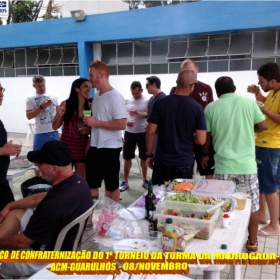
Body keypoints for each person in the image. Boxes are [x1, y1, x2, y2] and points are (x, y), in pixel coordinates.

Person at [0, 140, 93, 278]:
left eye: (41, 163)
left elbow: (23, 241)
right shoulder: (77, 181)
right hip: (65, 243)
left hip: (46, 257)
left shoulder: (55, 205)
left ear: (55, 169)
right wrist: (10, 205)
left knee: (3, 265)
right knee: (16, 212)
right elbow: (44, 196)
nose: (37, 166)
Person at [202, 76, 267, 252]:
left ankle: (223, 244)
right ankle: (252, 242)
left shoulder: (211, 107)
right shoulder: (249, 104)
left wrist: (205, 154)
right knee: (252, 205)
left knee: (223, 205)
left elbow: (206, 137)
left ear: (217, 92)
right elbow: (264, 125)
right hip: (247, 166)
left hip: (223, 166)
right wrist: (249, 127)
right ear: (235, 88)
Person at [146, 70, 206, 185]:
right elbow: (201, 139)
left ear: (176, 83)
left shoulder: (160, 103)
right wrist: (188, 136)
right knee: (180, 198)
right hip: (184, 161)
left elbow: (150, 132)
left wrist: (149, 154)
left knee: (158, 197)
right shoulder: (197, 108)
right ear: (192, 86)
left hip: (162, 159)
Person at [83, 60, 126, 203]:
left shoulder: (115, 97)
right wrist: (90, 141)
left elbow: (122, 124)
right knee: (91, 183)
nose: (89, 79)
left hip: (110, 148)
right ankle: (89, 219)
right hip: (95, 146)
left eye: (91, 75)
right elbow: (95, 122)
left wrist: (96, 123)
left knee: (112, 185)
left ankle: (111, 218)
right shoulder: (97, 96)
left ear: (101, 76)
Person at [247, 62, 280, 236]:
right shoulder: (274, 92)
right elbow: (265, 102)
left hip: (271, 146)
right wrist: (257, 94)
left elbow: (275, 115)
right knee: (262, 183)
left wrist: (264, 111)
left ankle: (274, 225)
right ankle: (262, 215)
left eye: (262, 82)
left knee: (270, 187)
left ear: (273, 81)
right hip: (264, 144)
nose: (260, 83)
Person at [170, 59, 215, 179]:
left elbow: (210, 111)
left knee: (207, 169)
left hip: (203, 137)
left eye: (190, 70)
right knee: (183, 174)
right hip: (183, 139)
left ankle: (208, 195)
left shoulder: (206, 88)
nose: (188, 74)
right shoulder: (174, 91)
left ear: (197, 69)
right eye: (184, 71)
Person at [52, 78, 91, 178]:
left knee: (81, 180)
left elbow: (92, 128)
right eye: (85, 86)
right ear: (77, 89)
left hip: (82, 147)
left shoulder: (89, 107)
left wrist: (88, 130)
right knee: (63, 178)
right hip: (66, 147)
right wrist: (59, 115)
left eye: (89, 87)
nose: (88, 89)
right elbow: (55, 126)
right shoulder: (65, 104)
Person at [119, 81, 149, 192]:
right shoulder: (127, 100)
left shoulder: (147, 101)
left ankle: (145, 180)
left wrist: (137, 113)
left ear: (141, 90)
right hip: (129, 132)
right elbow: (122, 115)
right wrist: (127, 123)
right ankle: (125, 181)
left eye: (137, 93)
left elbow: (147, 114)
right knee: (127, 157)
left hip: (142, 132)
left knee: (144, 157)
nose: (135, 95)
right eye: (133, 93)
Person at [0, 84, 22, 211]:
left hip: (1, 181)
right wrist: (2, 150)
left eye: (2, 90)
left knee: (11, 214)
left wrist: (7, 147)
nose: (2, 95)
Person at [26, 75, 59, 151]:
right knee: (39, 159)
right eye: (39, 86)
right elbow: (28, 116)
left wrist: (59, 130)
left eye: (43, 85)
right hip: (40, 133)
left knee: (56, 158)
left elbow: (58, 113)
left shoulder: (53, 96)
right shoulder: (30, 98)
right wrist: (41, 107)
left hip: (54, 132)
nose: (42, 88)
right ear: (34, 86)